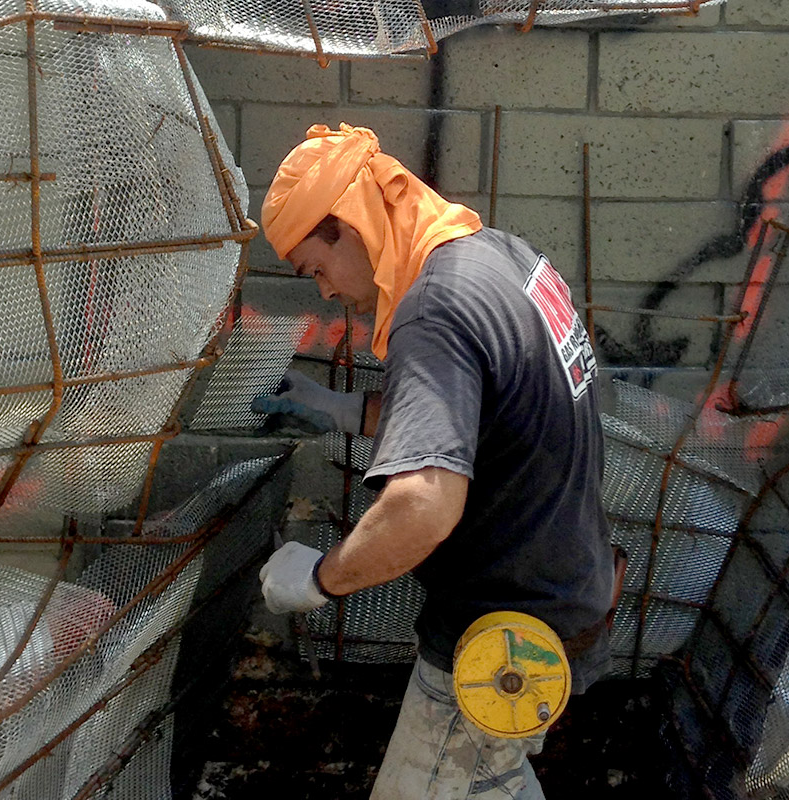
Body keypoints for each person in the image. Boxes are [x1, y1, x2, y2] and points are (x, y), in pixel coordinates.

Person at [252, 123, 614, 799]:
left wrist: (321, 579)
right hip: (564, 597)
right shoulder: (495, 257)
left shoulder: (434, 309)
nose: (325, 293)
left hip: (499, 635)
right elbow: (488, 407)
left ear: (349, 223)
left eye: (316, 269)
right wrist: (345, 411)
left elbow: (422, 504)